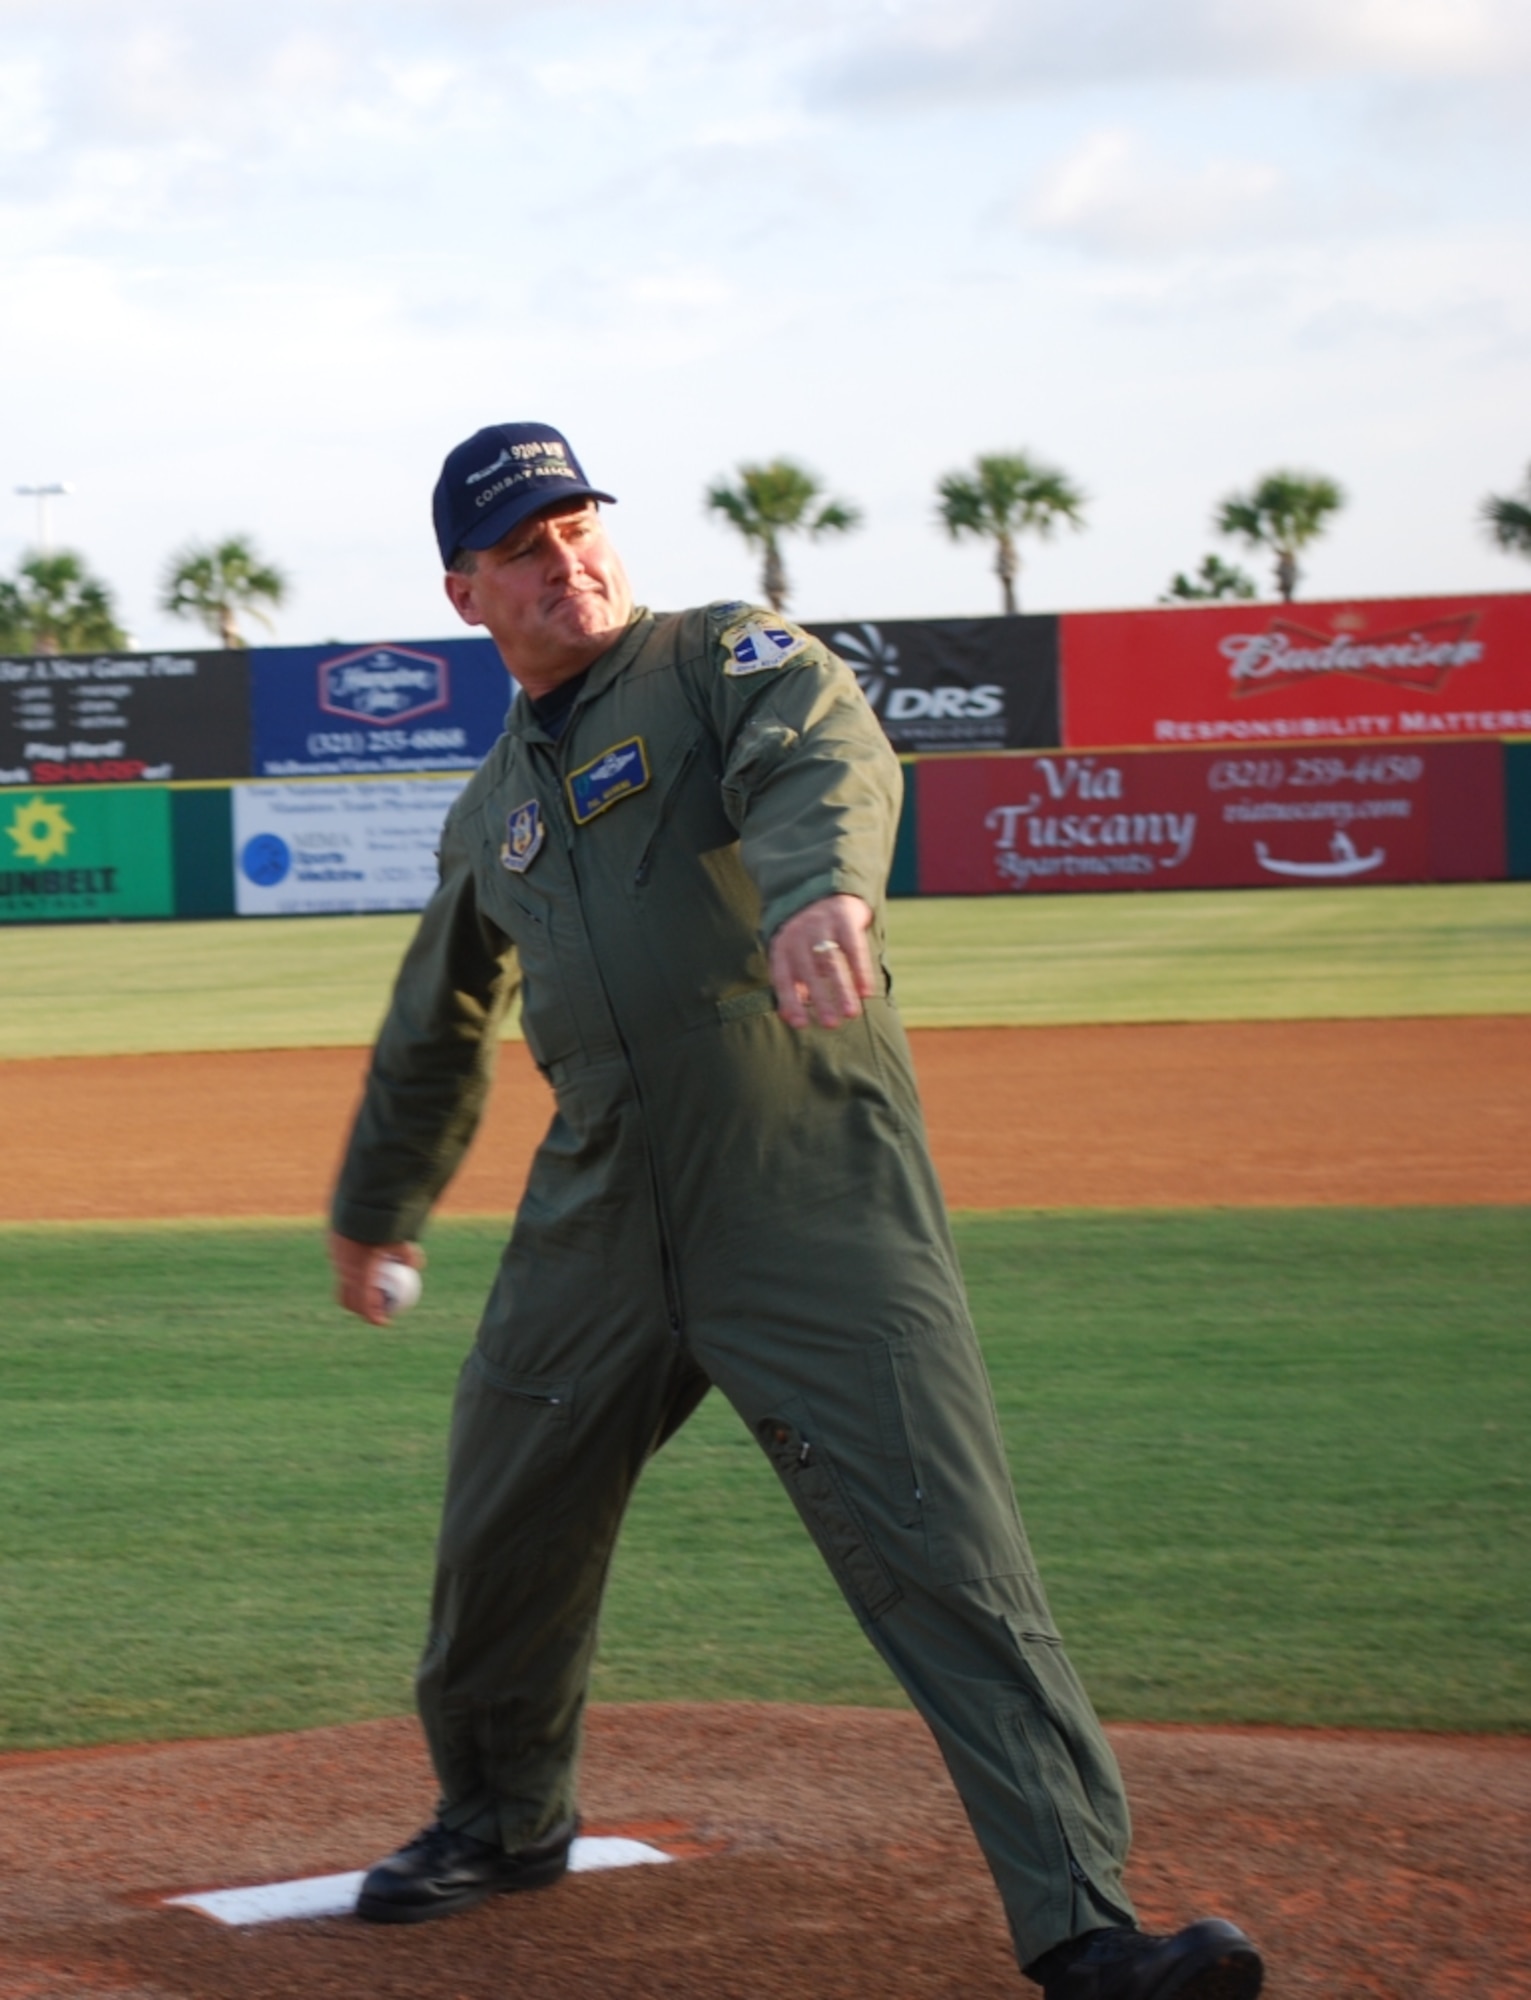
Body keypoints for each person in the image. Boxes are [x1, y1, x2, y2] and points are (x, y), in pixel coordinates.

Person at [327, 421, 1264, 1999]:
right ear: (464, 591)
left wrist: (826, 884)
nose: (567, 562)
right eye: (525, 549)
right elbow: (439, 1020)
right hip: (603, 1203)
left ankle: (1085, 1927)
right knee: (504, 1525)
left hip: (804, 1175)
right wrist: (379, 1209)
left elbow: (827, 748)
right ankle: (499, 1820)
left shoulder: (717, 658)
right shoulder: (489, 807)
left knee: (940, 1547)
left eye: (579, 528)